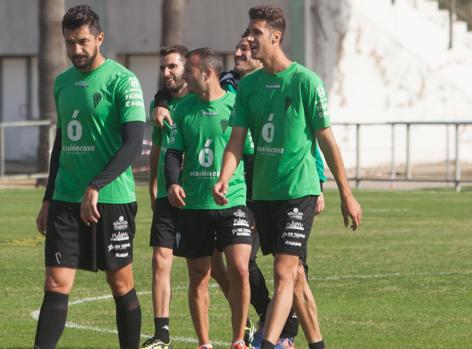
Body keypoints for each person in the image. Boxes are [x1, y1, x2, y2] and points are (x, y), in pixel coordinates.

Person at [213, 6, 363, 349]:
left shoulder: (305, 81)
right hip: (264, 195)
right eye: (248, 31)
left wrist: (346, 193)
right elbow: (236, 139)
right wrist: (224, 177)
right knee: (294, 279)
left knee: (284, 271)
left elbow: (326, 140)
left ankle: (267, 344)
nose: (249, 38)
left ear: (275, 37)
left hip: (299, 192)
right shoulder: (249, 87)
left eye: (256, 32)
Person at [33, 5, 146, 349]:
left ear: (99, 38)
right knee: (55, 283)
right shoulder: (63, 83)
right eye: (69, 43)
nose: (76, 50)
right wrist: (48, 200)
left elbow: (133, 144)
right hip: (67, 199)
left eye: (82, 41)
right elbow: (62, 144)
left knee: (121, 282)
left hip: (111, 200)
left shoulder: (123, 80)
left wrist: (96, 185)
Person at [165, 47, 253, 349]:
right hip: (195, 205)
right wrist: (172, 184)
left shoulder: (236, 105)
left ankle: (239, 339)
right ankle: (204, 343)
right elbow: (173, 153)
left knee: (240, 269)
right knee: (200, 276)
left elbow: (250, 156)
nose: (184, 76)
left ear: (208, 73)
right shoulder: (183, 108)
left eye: (189, 70)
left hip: (233, 202)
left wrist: (252, 204)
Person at [142, 44, 190, 349]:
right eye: (163, 68)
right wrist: (153, 189)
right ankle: (162, 334)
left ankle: (252, 320)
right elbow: (156, 152)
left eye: (172, 66)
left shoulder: (201, 102)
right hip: (166, 198)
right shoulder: (159, 108)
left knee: (216, 268)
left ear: (187, 68)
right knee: (160, 259)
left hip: (198, 196)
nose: (166, 72)